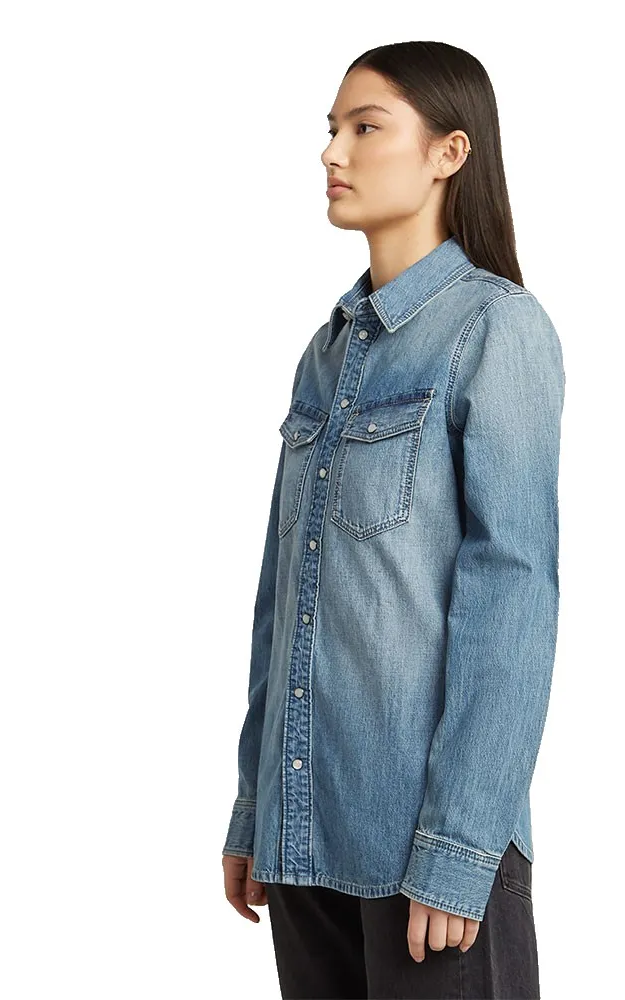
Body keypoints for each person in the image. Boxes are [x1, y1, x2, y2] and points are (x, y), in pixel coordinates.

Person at [221, 40, 565, 1000]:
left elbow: (514, 598)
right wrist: (255, 805)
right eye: (332, 129)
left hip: (426, 853)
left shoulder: (496, 328)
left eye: (365, 128)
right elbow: (282, 600)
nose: (333, 152)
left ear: (450, 152)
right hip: (304, 838)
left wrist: (460, 845)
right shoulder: (324, 355)